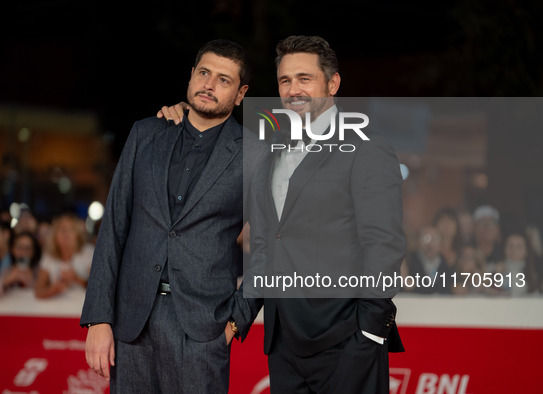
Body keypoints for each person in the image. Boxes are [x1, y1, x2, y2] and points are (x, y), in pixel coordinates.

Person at [160, 35, 406, 394]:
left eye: (305, 78)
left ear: (332, 83)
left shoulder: (367, 149)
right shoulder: (270, 151)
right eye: (285, 81)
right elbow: (264, 239)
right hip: (284, 343)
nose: (294, 90)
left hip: (347, 340)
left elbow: (383, 245)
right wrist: (184, 114)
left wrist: (368, 333)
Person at [81, 39, 262, 393]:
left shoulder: (254, 154)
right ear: (191, 76)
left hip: (203, 329)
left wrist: (235, 323)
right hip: (131, 323)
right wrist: (99, 319)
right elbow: (114, 227)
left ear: (240, 94)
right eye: (204, 73)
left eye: (223, 80)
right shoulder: (145, 134)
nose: (209, 85)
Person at [35, 213, 93, 299]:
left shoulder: (88, 253)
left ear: (78, 234)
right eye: (62, 230)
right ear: (55, 235)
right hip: (57, 309)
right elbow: (38, 291)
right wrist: (54, 289)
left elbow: (99, 286)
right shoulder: (49, 257)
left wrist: (76, 279)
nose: (66, 234)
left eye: (71, 230)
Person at [0, 231, 41, 299]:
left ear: (33, 252)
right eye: (19, 247)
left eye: (27, 248)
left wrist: (31, 281)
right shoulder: (8, 270)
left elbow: (45, 292)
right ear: (13, 250)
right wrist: (8, 280)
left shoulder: (40, 271)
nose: (23, 252)